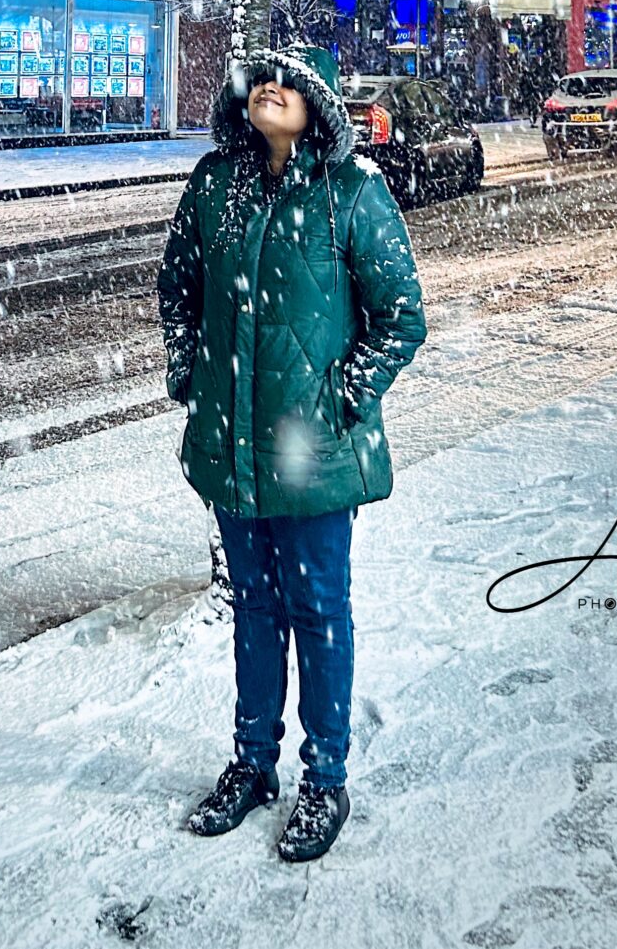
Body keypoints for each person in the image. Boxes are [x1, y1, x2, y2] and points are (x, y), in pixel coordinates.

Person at [158, 45, 427, 864]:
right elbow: (177, 287)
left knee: (316, 610)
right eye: (259, 80)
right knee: (255, 608)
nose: (269, 89)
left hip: (314, 455)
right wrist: (192, 373)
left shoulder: (353, 191)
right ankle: (252, 763)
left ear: (320, 102)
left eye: (288, 81)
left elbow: (401, 314)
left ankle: (325, 777)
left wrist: (341, 398)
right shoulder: (216, 184)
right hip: (231, 445)